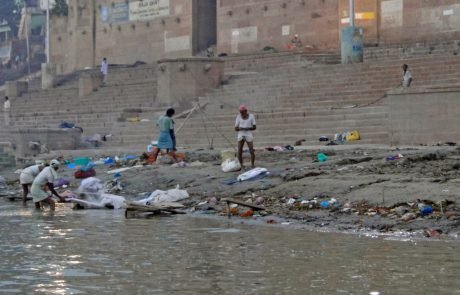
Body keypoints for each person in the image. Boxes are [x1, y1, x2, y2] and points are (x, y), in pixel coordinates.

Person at [235, 105, 256, 169]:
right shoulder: (238, 117)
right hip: (241, 134)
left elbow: (254, 127)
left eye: (242, 112)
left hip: (248, 133)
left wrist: (247, 128)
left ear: (246, 111)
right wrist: (240, 128)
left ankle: (252, 165)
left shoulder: (251, 116)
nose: (241, 113)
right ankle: (241, 165)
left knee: (251, 150)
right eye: (240, 112)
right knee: (239, 151)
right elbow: (236, 128)